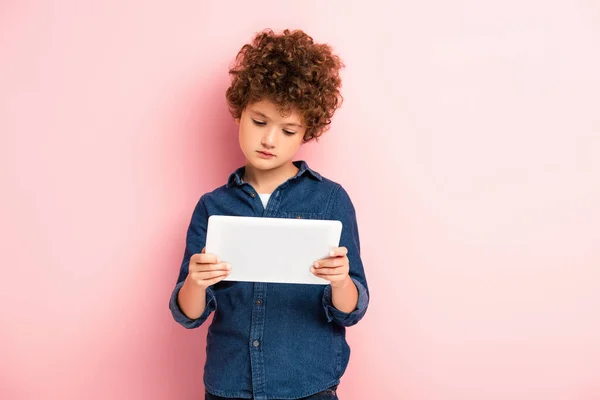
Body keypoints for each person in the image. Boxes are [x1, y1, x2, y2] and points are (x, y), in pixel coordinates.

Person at [168, 28, 370, 400]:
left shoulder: (330, 200)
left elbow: (351, 310)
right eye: (259, 122)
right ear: (239, 112)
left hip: (308, 386)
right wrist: (195, 283)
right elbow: (188, 314)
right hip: (229, 386)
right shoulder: (213, 207)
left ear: (306, 132)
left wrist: (341, 281)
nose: (270, 140)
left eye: (288, 129)